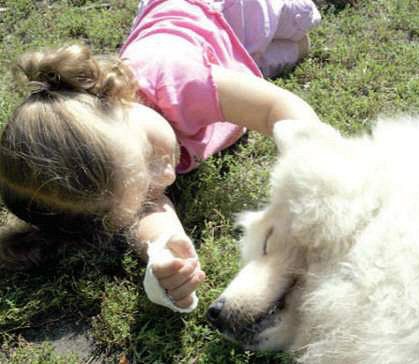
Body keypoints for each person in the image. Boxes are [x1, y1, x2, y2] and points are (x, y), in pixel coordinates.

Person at [0, 0, 321, 311]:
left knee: (303, 22)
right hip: (222, 66)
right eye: (145, 188)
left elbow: (275, 108)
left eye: (151, 156)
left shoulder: (176, 79)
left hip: (231, 12)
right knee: (294, 50)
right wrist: (164, 251)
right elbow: (149, 210)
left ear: (114, 99)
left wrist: (308, 163)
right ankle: (241, 66)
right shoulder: (126, 144)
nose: (167, 177)